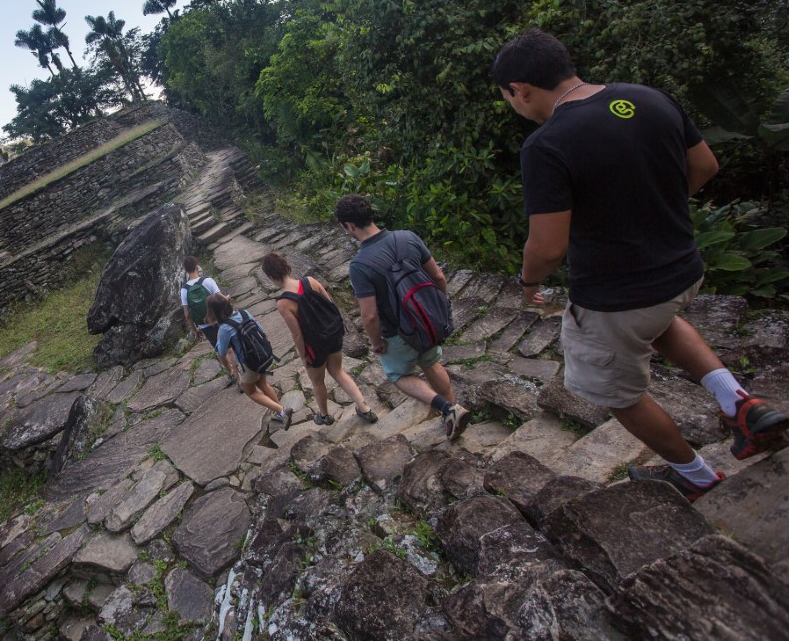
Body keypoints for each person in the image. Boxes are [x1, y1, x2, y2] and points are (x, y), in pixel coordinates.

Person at [492, 28, 787, 500]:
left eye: (509, 97)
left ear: (520, 89)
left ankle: (695, 477)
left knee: (616, 393)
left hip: (616, 296)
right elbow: (705, 166)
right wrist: (657, 206)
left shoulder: (546, 145)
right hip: (682, 269)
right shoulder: (649, 98)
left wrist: (528, 281)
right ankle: (742, 405)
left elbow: (548, 247)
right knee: (661, 319)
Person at [335, 195, 471, 441]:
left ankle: (447, 409)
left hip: (397, 332)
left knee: (399, 375)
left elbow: (370, 315)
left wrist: (376, 342)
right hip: (426, 322)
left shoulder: (359, 265)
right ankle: (454, 410)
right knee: (430, 362)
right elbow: (438, 277)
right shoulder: (407, 237)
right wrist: (440, 307)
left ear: (350, 226)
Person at [260, 252, 377, 426]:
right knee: (338, 372)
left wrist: (303, 355)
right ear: (286, 266)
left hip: (315, 346)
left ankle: (324, 416)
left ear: (270, 276)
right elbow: (330, 303)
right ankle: (365, 408)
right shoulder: (311, 281)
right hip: (333, 334)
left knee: (317, 381)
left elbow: (297, 334)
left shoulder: (283, 303)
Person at [208, 292, 293, 429]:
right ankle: (281, 410)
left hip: (249, 363)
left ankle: (281, 411)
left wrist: (218, 338)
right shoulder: (243, 312)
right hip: (261, 355)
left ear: (214, 312)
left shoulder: (224, 328)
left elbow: (222, 351)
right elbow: (260, 329)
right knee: (263, 384)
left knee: (251, 392)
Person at [180, 256, 240, 388]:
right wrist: (228, 298)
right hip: (220, 319)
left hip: (204, 325)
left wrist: (195, 330)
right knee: (230, 349)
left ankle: (230, 373)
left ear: (185, 270)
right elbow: (222, 299)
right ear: (197, 267)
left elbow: (187, 315)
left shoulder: (184, 290)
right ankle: (240, 378)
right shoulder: (208, 281)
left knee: (220, 349)